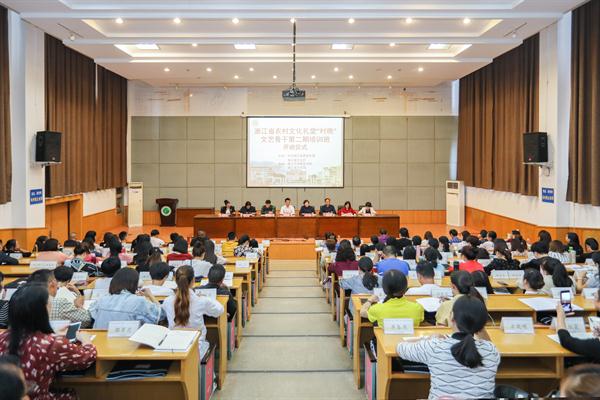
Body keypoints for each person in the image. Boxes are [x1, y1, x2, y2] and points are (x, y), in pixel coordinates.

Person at [0, 284, 97, 400]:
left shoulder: (2, 337)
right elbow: (86, 358)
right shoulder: (52, 344)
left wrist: (52, 334)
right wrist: (86, 340)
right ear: (43, 310)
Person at [397, 296, 500, 400]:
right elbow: (487, 343)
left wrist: (428, 339)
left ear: (452, 317)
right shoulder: (491, 351)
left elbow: (400, 348)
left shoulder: (435, 347)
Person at [162, 265, 224, 357]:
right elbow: (220, 310)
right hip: (197, 347)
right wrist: (207, 298)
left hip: (173, 346)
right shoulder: (201, 301)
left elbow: (163, 311)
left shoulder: (167, 301)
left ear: (175, 280)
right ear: (193, 281)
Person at [90, 268, 164, 329]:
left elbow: (91, 313)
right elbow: (161, 315)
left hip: (100, 340)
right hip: (128, 340)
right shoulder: (139, 301)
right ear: (135, 283)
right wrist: (150, 295)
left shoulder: (102, 299)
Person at [27, 269, 92, 328]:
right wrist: (79, 306)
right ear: (52, 284)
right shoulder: (60, 303)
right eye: (56, 281)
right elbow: (87, 320)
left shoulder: (25, 301)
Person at [555, 292, 600, 361]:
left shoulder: (596, 345)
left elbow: (566, 341)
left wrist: (560, 316)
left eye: (595, 297)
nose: (592, 300)